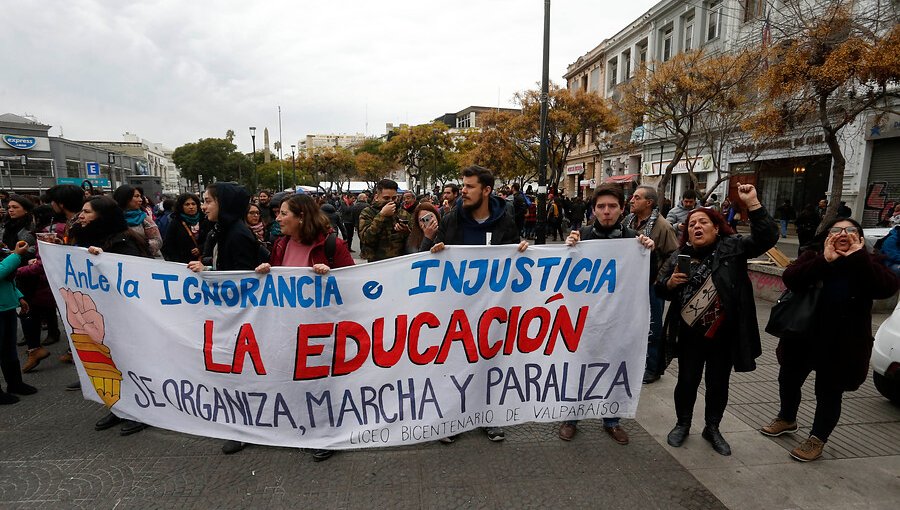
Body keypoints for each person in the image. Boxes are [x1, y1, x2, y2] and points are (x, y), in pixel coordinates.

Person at [760, 218, 899, 461]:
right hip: (802, 336)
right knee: (788, 379)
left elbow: (886, 288)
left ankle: (817, 438)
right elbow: (791, 278)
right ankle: (787, 418)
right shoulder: (813, 256)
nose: (843, 233)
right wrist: (823, 261)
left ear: (860, 237)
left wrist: (859, 258)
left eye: (850, 230)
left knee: (829, 392)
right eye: (837, 230)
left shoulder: (869, 262)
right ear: (827, 235)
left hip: (842, 343)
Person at [656, 183, 778, 456]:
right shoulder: (680, 256)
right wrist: (670, 283)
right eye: (691, 225)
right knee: (686, 381)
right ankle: (682, 424)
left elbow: (767, 238)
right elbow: (658, 287)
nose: (696, 227)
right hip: (688, 336)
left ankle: (712, 428)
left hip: (723, 335)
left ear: (716, 227)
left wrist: (753, 204)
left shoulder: (733, 247)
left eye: (703, 222)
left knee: (717, 384)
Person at [422, 165, 528, 443]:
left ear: (487, 190)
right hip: (455, 308)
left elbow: (514, 257)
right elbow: (427, 262)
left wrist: (521, 252)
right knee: (453, 363)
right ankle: (450, 418)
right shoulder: (452, 218)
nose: (463, 191)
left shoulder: (505, 220)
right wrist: (433, 249)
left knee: (489, 362)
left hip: (492, 307)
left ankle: (487, 416)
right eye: (463, 185)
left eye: (469, 187)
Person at [255, 194, 354, 461]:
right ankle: (302, 427)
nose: (277, 218)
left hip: (322, 329)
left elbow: (355, 285)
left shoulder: (333, 245)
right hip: (289, 328)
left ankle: (325, 436)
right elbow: (277, 284)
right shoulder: (279, 244)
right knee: (298, 381)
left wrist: (332, 277)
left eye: (284, 213)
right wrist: (266, 271)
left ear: (301, 217)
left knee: (322, 384)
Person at [558, 184, 656, 445]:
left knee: (614, 366)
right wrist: (567, 250)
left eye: (612, 206)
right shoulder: (582, 237)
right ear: (594, 209)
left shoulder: (634, 239)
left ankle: (611, 420)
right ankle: (571, 417)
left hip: (618, 319)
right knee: (579, 367)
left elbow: (649, 278)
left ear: (621, 209)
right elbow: (566, 279)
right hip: (585, 319)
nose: (606, 211)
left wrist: (648, 252)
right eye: (601, 206)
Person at [187, 183, 265, 455]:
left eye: (208, 201)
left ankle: (245, 427)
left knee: (241, 372)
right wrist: (208, 268)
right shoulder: (224, 231)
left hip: (239, 319)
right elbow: (227, 271)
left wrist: (211, 273)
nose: (203, 206)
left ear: (226, 204)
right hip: (230, 317)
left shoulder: (238, 235)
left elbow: (240, 281)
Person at [69, 196, 152, 433]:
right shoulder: (93, 238)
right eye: (81, 211)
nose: (81, 216)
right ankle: (120, 407)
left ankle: (141, 410)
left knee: (133, 363)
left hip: (127, 316)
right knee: (113, 362)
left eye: (87, 212)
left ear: (102, 216)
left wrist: (104, 260)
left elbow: (134, 279)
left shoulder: (124, 242)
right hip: (106, 316)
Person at [624, 185, 679, 384]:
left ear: (649, 203)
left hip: (651, 286)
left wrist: (659, 279)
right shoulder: (628, 222)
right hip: (630, 285)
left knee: (652, 328)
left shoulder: (662, 226)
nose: (631, 200)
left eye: (637, 198)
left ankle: (652, 368)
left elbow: (674, 255)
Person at [0, 240, 35, 405]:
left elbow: (7, 279)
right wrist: (15, 255)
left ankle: (15, 383)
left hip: (6, 305)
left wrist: (18, 296)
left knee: (9, 347)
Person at [357, 179, 411, 262]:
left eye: (394, 198)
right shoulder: (368, 212)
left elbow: (413, 239)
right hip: (377, 262)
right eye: (386, 198)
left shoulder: (403, 213)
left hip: (399, 261)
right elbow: (366, 239)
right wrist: (382, 215)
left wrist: (406, 231)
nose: (390, 201)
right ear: (376, 197)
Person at [112, 185, 162, 257]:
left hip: (141, 260)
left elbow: (157, 241)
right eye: (136, 196)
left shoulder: (144, 218)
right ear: (125, 197)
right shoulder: (111, 217)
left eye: (140, 196)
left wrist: (135, 249)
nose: (140, 199)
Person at [162, 193, 203, 263]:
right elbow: (167, 246)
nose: (191, 207)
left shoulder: (205, 220)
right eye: (187, 204)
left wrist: (201, 249)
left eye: (193, 204)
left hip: (203, 264)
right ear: (181, 206)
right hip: (183, 265)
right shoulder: (176, 223)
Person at [0, 195, 37, 261]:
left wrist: (17, 252)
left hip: (23, 263)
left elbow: (34, 247)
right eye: (9, 207)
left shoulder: (31, 226)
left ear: (26, 210)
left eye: (15, 207)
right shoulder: (5, 224)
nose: (10, 210)